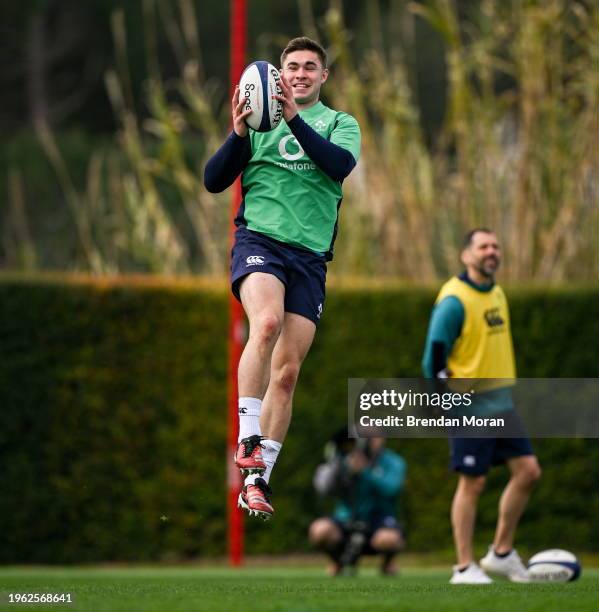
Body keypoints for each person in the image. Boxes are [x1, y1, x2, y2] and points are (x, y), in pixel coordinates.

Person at [204, 37, 361, 519]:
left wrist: (293, 117)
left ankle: (258, 480)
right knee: (266, 324)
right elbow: (213, 180)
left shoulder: (340, 124)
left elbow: (339, 165)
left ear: (323, 76)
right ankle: (248, 437)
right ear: (279, 74)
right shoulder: (257, 124)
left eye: (309, 67)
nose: (299, 74)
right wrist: (236, 132)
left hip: (310, 258)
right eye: (291, 67)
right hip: (261, 243)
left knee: (288, 372)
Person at [422, 228, 542, 584]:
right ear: (466, 255)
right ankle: (463, 566)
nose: (491, 252)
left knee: (529, 472)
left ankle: (501, 553)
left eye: (495, 246)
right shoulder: (454, 301)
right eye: (483, 246)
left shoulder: (498, 293)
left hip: (501, 405)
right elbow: (434, 358)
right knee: (472, 483)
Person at [309, 433, 406, 576]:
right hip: (346, 518)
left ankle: (387, 564)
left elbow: (391, 490)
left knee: (388, 539)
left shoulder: (394, 462)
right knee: (320, 530)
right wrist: (338, 466)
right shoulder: (343, 459)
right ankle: (337, 562)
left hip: (379, 520)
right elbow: (324, 489)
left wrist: (365, 471)